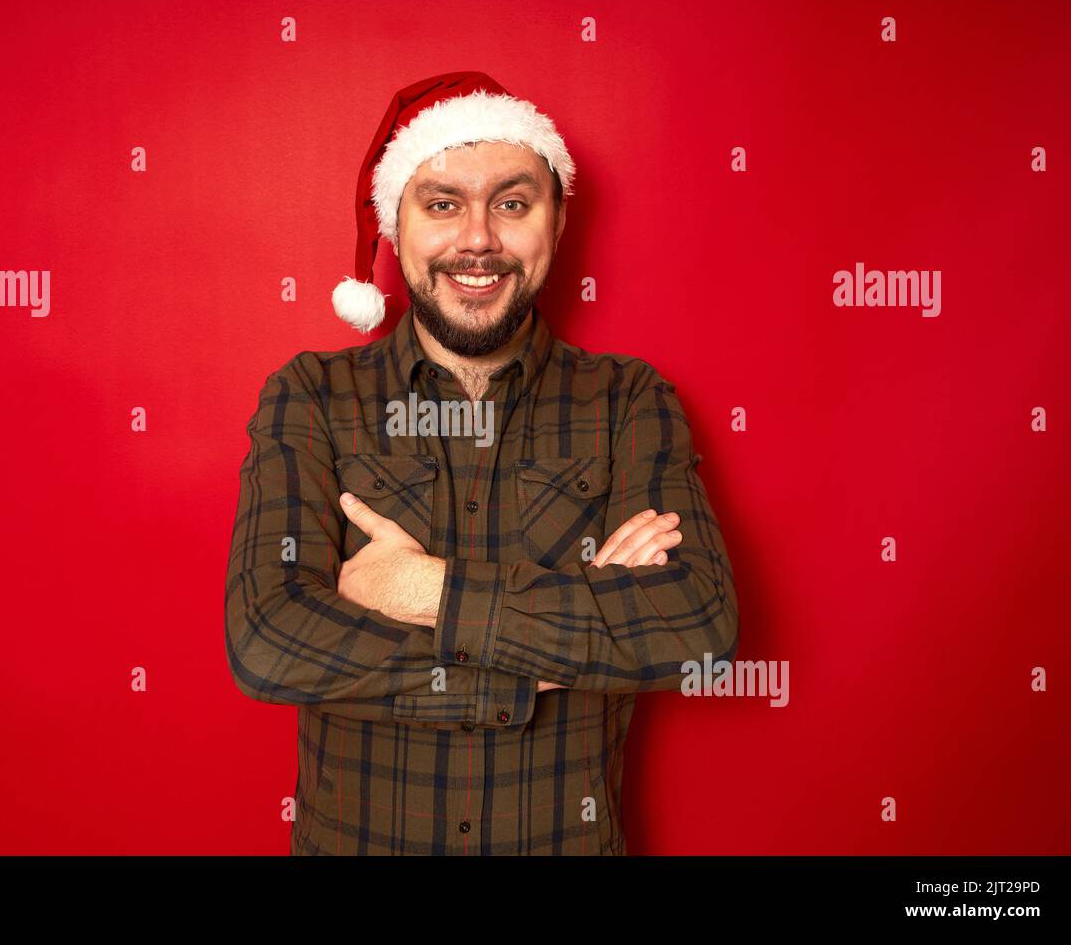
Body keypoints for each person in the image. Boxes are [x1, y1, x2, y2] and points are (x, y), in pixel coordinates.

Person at [225, 71, 739, 855]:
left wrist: (419, 588)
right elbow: (268, 638)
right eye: (442, 204)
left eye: (511, 202)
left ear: (556, 223)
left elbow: (695, 625)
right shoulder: (312, 396)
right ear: (395, 228)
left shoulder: (628, 399)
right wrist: (541, 660)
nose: (477, 239)